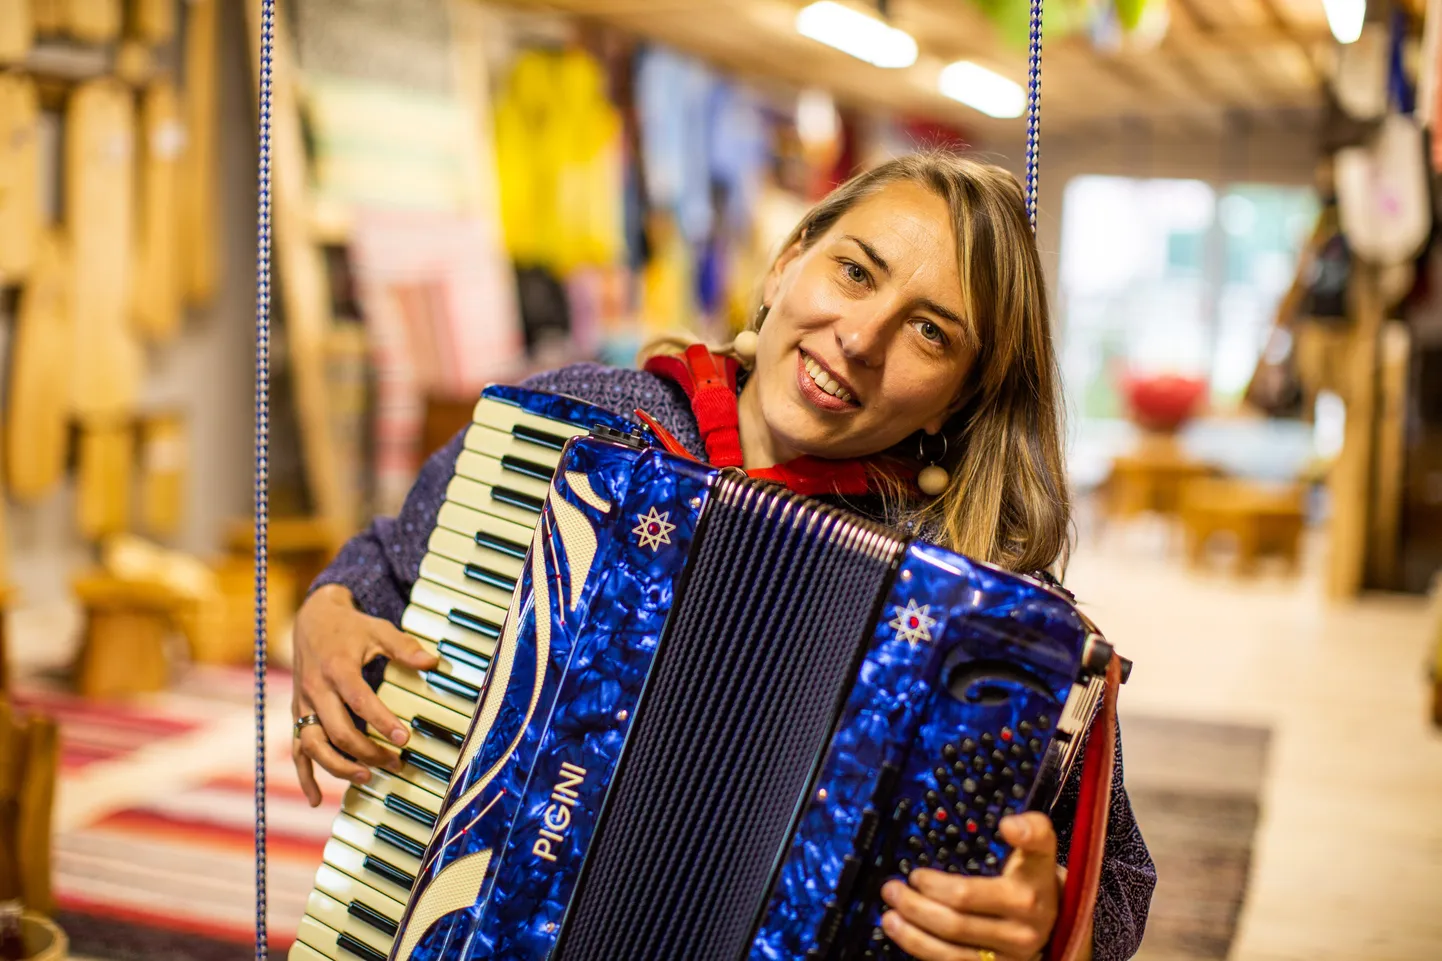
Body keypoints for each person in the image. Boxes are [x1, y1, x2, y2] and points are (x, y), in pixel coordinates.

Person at [290, 151, 1156, 961]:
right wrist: (328, 611)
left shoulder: (984, 616)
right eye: (856, 271)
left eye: (930, 332)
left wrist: (1045, 921)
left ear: (960, 397)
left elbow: (1117, 881)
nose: (859, 336)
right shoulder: (577, 429)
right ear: (788, 262)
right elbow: (389, 563)